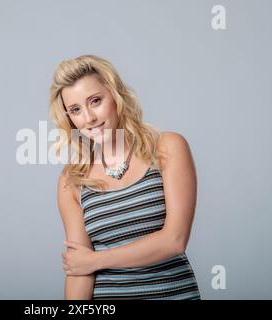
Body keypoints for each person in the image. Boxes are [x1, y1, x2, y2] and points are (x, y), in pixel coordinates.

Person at [49, 54, 201, 300]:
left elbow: (174, 240)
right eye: (76, 110)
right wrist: (87, 264)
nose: (89, 118)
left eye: (95, 101)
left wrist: (96, 260)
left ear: (116, 96)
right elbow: (79, 269)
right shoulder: (72, 180)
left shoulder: (166, 148)